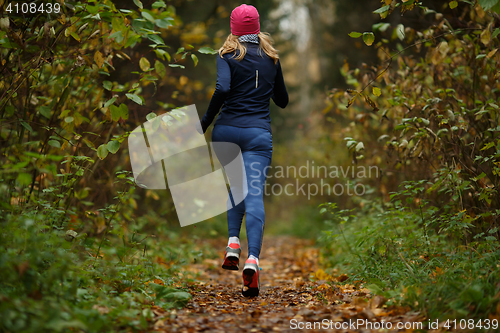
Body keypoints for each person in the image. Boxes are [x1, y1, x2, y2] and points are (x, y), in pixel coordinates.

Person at [200, 4, 288, 297]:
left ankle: (233, 243)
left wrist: (204, 123)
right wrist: (265, 84)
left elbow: (222, 89)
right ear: (257, 27)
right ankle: (253, 259)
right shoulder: (272, 59)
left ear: (233, 28)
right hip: (257, 135)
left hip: (226, 133)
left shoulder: (225, 55)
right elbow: (283, 100)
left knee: (236, 187)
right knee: (253, 193)